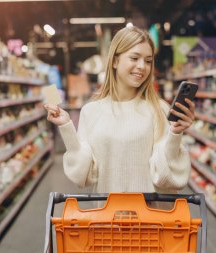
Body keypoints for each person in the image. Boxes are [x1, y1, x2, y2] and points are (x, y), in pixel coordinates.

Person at [44, 26, 195, 201]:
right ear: (115, 61)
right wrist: (66, 127)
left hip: (151, 223)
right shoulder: (91, 111)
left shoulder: (159, 109)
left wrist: (175, 134)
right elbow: (83, 176)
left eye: (148, 61)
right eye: (134, 58)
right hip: (106, 222)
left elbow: (166, 177)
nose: (142, 67)